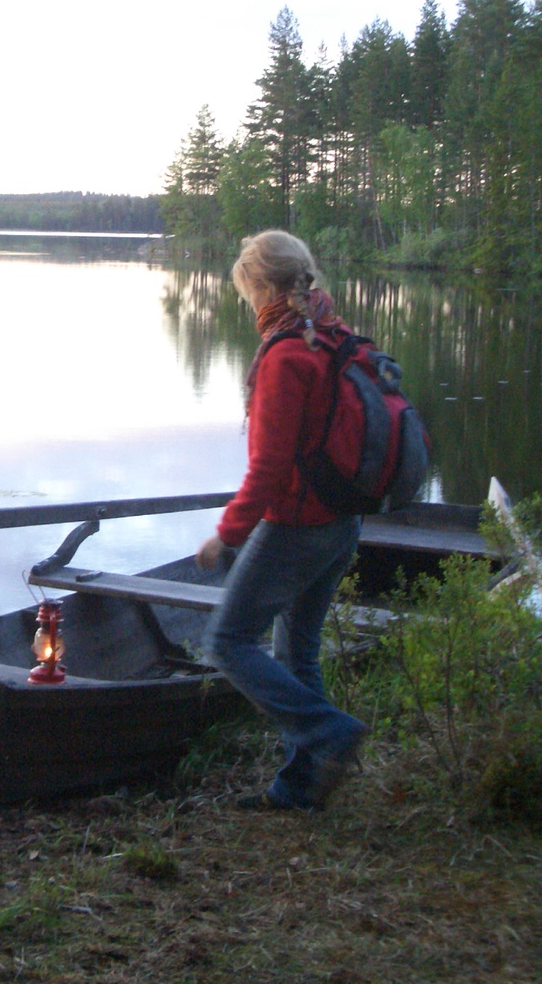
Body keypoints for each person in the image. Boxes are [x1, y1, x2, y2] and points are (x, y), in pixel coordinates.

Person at [197, 229, 367, 811]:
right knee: (298, 651)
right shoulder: (333, 336)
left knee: (226, 640)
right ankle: (298, 787)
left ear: (261, 285)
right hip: (344, 523)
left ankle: (328, 732)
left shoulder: (285, 355)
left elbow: (268, 467)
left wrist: (227, 535)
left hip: (297, 525)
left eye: (246, 288)